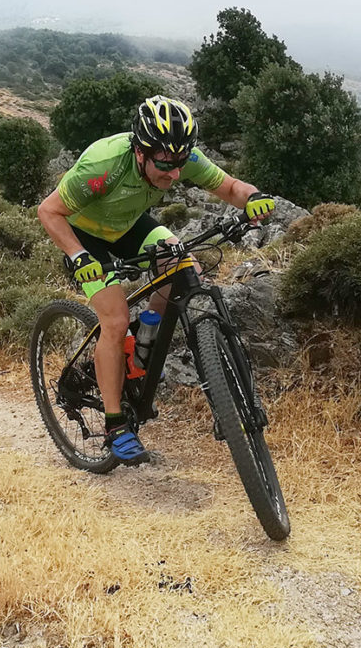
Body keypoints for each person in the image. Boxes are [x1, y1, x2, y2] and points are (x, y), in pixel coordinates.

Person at [35, 95, 278, 465]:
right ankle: (116, 425)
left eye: (180, 163)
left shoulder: (177, 156)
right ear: (140, 152)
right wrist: (78, 256)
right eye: (165, 164)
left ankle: (145, 347)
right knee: (114, 320)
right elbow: (49, 211)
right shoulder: (104, 164)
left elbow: (229, 188)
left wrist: (254, 198)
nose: (175, 173)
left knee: (185, 268)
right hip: (85, 238)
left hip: (129, 227)